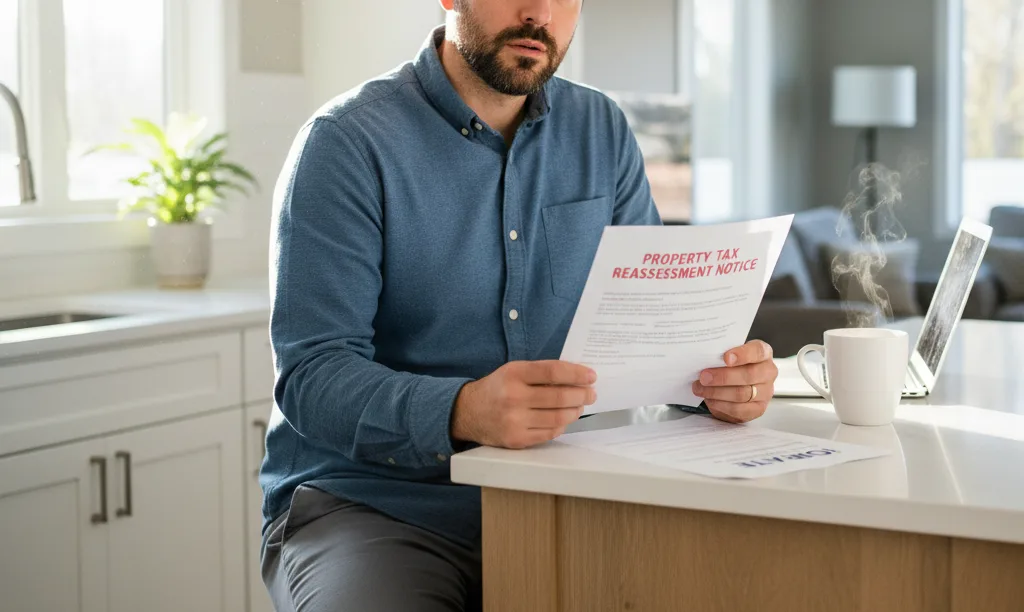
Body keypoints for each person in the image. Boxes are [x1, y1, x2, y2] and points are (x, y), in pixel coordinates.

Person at [260, 1, 780, 610]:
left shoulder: (600, 129)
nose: (539, 13)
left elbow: (653, 324)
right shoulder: (346, 143)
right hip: (379, 506)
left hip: (565, 492)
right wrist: (462, 410)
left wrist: (715, 380)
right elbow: (312, 377)